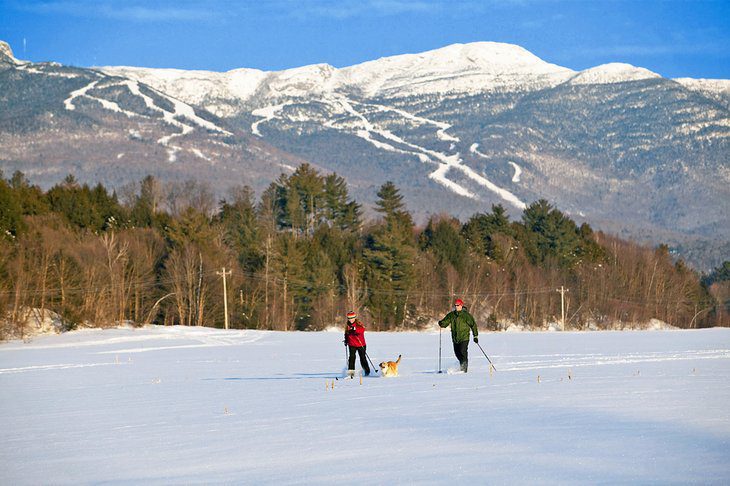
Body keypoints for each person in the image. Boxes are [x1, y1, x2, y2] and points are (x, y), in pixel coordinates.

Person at [438, 298, 478, 372]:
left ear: (461, 305)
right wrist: (441, 323)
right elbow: (445, 322)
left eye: (458, 305)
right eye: (455, 305)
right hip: (455, 338)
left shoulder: (466, 316)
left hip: (464, 338)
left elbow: (473, 325)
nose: (456, 307)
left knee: (463, 352)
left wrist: (475, 336)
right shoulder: (452, 315)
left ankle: (464, 370)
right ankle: (461, 365)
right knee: (457, 354)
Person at [344, 311, 370, 378]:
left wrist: (355, 329)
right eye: (349, 318)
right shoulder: (347, 326)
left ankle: (367, 371)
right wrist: (346, 340)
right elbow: (346, 334)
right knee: (352, 358)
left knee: (362, 358)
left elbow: (362, 330)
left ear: (355, 318)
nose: (351, 319)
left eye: (352, 318)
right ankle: (351, 373)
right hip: (352, 344)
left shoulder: (358, 324)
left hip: (361, 344)